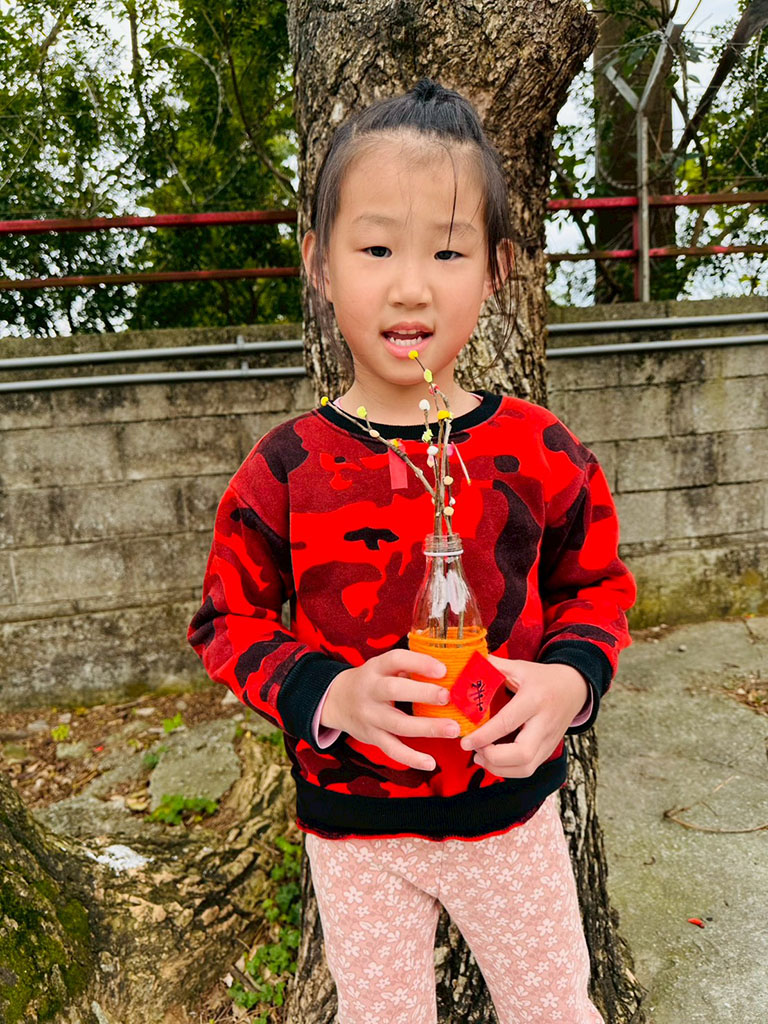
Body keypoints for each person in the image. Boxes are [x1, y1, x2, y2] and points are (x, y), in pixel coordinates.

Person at [189, 78, 636, 1024]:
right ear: (318, 263)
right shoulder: (285, 468)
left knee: (556, 1009)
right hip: (354, 834)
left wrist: (571, 684)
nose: (411, 286)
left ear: (497, 269)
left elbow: (595, 586)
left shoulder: (540, 451)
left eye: (448, 250)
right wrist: (327, 694)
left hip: (510, 819)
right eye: (377, 247)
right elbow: (226, 618)